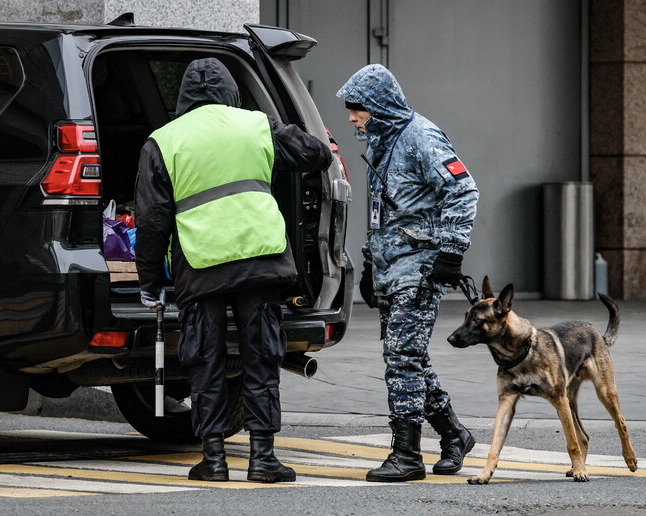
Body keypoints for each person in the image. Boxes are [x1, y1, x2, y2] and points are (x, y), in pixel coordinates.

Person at [135, 57, 332, 483]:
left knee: (205, 360)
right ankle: (263, 460)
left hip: (201, 265)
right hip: (259, 258)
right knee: (260, 358)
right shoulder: (258, 125)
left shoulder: (163, 141)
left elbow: (152, 221)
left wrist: (150, 283)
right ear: (229, 91)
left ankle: (214, 460)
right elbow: (316, 154)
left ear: (184, 96)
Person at [337, 64, 480, 482]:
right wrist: (370, 262)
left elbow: (463, 189)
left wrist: (451, 254)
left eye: (357, 109)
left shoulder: (420, 136)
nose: (351, 118)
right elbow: (386, 212)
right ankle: (454, 435)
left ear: (379, 106)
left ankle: (407, 454)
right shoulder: (383, 141)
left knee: (401, 357)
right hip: (392, 265)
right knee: (409, 356)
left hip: (420, 266)